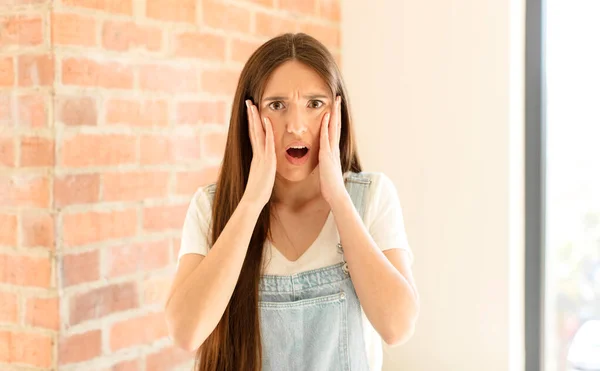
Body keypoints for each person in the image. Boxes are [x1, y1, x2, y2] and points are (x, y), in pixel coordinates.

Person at [165, 33, 419, 371]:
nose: (296, 126)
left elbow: (397, 327)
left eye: (315, 104)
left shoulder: (371, 197)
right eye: (277, 105)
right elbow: (186, 332)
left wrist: (338, 199)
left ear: (338, 112)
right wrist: (253, 200)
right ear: (250, 115)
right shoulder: (211, 207)